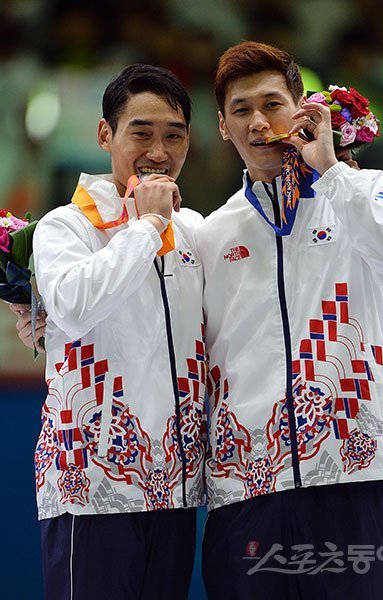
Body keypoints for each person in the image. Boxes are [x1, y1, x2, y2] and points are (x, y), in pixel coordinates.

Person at [196, 41, 383, 599]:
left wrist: (332, 172)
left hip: (350, 476)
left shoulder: (363, 191)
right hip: (247, 489)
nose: (258, 122)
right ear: (223, 127)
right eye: (241, 110)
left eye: (272, 104)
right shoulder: (210, 235)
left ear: (302, 112)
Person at [12, 64, 207, 600]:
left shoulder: (195, 232)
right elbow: (73, 309)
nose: (159, 151)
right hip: (92, 486)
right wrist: (146, 227)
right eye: (140, 133)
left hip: (175, 486)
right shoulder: (63, 227)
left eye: (174, 135)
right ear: (105, 135)